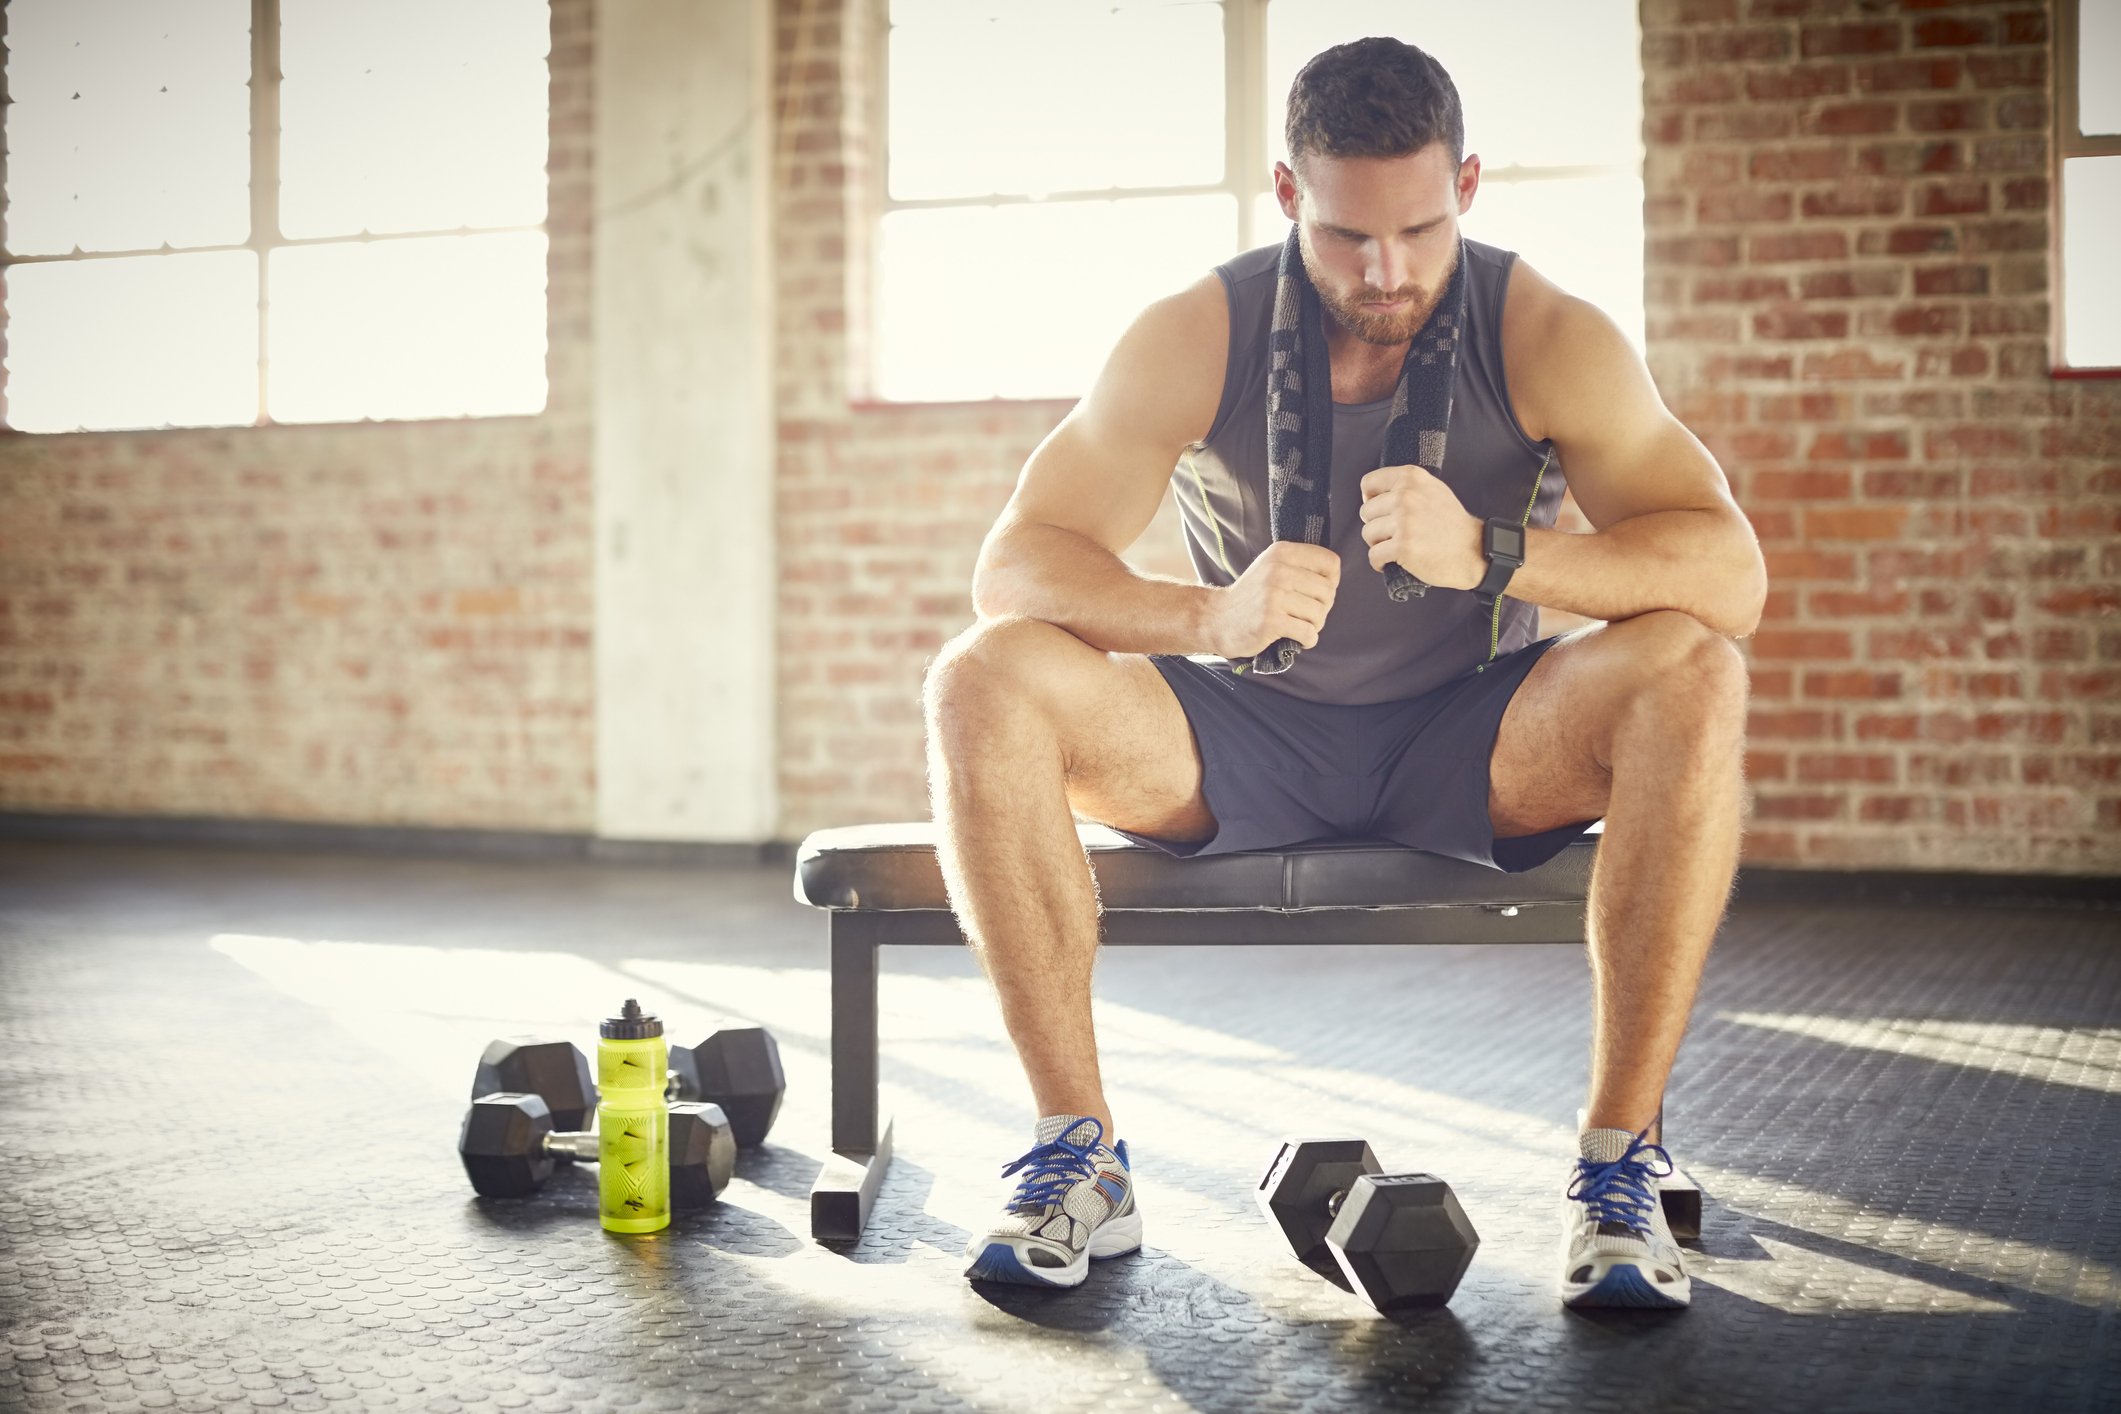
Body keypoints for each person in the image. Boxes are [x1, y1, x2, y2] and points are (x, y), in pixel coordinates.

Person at [923, 36, 1765, 1310]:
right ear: (1286, 197)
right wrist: (1207, 611)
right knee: (981, 675)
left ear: (1469, 185)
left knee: (1693, 670)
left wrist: (1494, 551)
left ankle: (1619, 1166)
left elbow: (1728, 575)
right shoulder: (1194, 331)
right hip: (1241, 728)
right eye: (1346, 237)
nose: (1387, 271)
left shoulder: (1543, 330)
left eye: (1420, 230)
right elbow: (1016, 565)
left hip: (1472, 736)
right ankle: (1078, 1160)